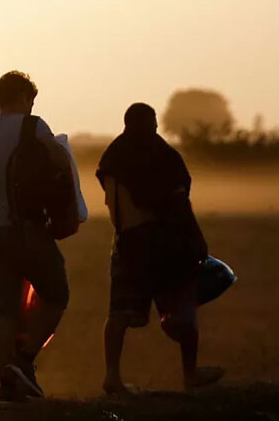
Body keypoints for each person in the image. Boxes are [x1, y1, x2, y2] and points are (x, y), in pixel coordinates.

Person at [96, 103, 224, 393]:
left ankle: (112, 376)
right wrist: (196, 241)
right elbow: (179, 203)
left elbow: (111, 202)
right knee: (182, 308)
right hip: (162, 243)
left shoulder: (112, 157)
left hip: (125, 242)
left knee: (119, 313)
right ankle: (190, 374)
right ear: (152, 125)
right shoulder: (163, 156)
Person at [0, 71, 72, 401]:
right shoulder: (34, 126)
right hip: (25, 228)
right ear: (24, 97)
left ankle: (6, 384)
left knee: (4, 310)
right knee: (56, 294)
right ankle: (24, 363)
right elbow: (59, 162)